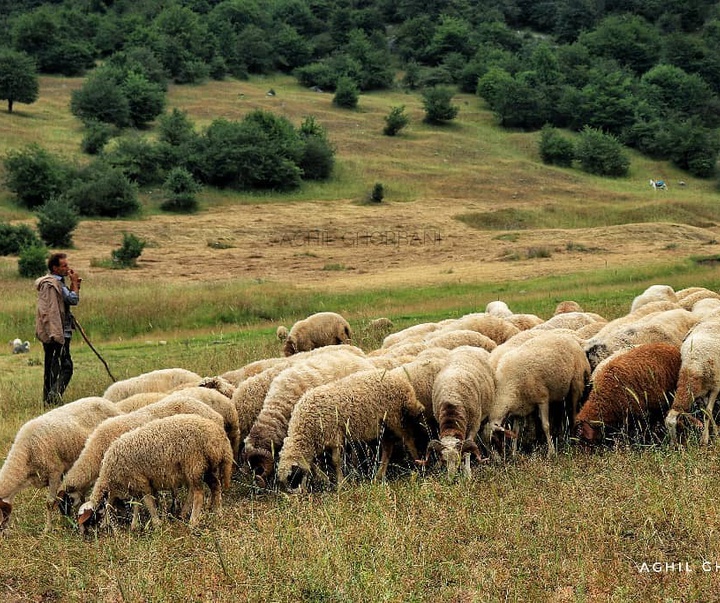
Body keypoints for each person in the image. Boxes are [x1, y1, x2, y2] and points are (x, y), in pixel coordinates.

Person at [35, 252, 81, 406]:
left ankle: (46, 401)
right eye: (64, 265)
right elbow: (73, 299)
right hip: (59, 330)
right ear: (55, 268)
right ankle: (54, 397)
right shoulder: (56, 283)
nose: (67, 268)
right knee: (66, 367)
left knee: (51, 367)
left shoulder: (46, 283)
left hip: (48, 330)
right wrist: (74, 284)